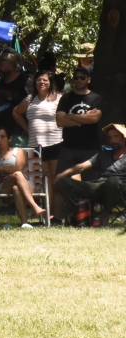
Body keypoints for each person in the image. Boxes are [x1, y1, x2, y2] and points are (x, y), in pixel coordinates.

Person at [54, 123, 126, 227]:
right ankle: (78, 214)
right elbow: (82, 166)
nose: (112, 140)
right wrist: (61, 175)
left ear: (124, 138)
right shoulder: (103, 155)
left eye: (116, 136)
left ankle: (105, 213)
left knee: (113, 181)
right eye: (110, 137)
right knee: (63, 181)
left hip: (121, 189)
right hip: (101, 185)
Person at [54, 66, 102, 221]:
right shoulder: (66, 98)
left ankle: (92, 217)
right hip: (68, 146)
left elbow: (94, 119)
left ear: (89, 79)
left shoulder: (96, 98)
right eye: (76, 78)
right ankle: (58, 218)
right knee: (61, 181)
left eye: (82, 77)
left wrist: (71, 116)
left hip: (90, 148)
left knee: (92, 184)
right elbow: (60, 121)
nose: (79, 80)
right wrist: (83, 118)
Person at [0, 127, 46, 227]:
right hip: (3, 186)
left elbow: (19, 167)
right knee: (17, 174)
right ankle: (34, 206)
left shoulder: (18, 151)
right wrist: (8, 169)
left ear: (9, 139)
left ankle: (24, 223)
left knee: (16, 187)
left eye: (2, 137)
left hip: (25, 184)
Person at [13, 70, 62, 196]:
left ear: (51, 83)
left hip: (55, 143)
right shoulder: (29, 99)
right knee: (44, 180)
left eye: (45, 80)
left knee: (56, 179)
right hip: (36, 145)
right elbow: (16, 112)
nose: (42, 82)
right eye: (39, 80)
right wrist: (27, 128)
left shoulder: (59, 98)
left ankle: (57, 212)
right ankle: (48, 212)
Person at [0, 48, 30, 146]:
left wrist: (27, 129)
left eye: (2, 64)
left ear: (11, 64)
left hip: (18, 135)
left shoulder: (26, 81)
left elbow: (34, 107)